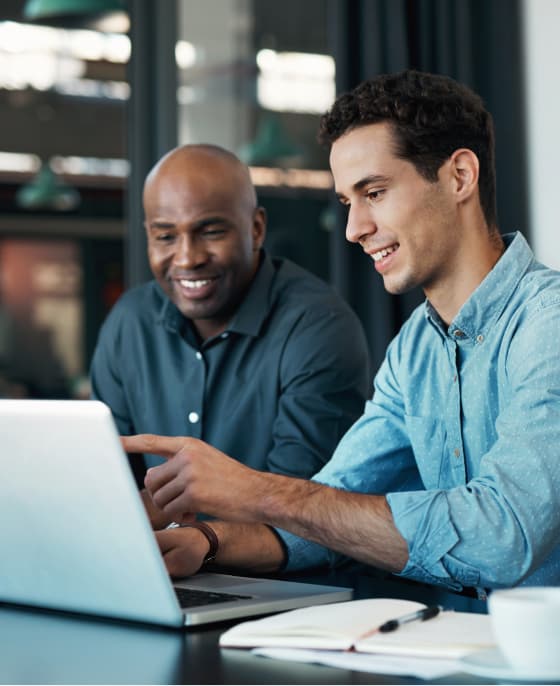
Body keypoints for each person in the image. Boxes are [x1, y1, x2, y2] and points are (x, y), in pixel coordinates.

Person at [122, 70, 560, 594]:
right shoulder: (414, 349)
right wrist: (207, 541)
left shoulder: (547, 324)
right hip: (450, 653)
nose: (354, 230)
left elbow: (502, 535)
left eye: (374, 192)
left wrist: (256, 491)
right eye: (348, 203)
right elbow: (332, 511)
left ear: (460, 176)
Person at [91, 144, 370, 494]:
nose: (188, 258)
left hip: (268, 546)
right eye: (165, 236)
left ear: (255, 229)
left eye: (210, 232)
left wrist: (197, 542)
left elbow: (300, 505)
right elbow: (108, 478)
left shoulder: (318, 327)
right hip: (152, 548)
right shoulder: (129, 323)